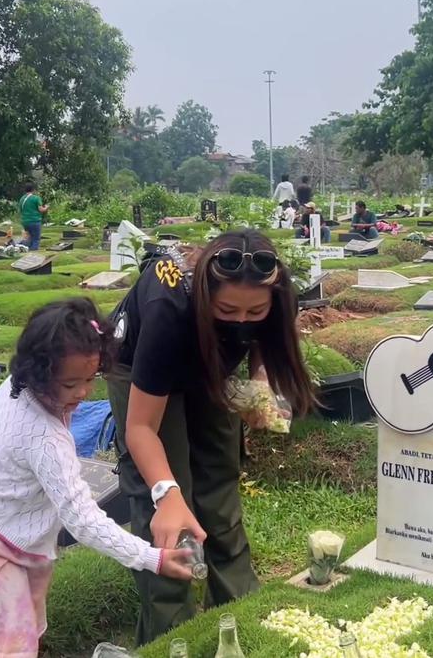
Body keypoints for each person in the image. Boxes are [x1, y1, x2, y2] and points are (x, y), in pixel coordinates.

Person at [0, 298, 192, 658]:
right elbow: (83, 520)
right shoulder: (43, 437)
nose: (82, 393)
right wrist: (150, 557)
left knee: (21, 630)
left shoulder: (22, 385)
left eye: (90, 379)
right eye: (70, 384)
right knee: (9, 646)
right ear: (39, 373)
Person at [105, 231, 315, 644]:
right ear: (206, 294)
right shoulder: (169, 308)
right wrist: (168, 494)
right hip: (141, 368)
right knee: (164, 506)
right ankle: (172, 635)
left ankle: (240, 611)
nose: (241, 320)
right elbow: (141, 428)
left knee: (219, 475)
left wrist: (259, 384)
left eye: (254, 310)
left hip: (208, 363)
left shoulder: (277, 294)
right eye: (228, 309)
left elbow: (266, 340)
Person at [19, 183, 49, 251]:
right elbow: (41, 209)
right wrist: (46, 207)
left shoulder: (22, 199)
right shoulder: (36, 198)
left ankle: (24, 250)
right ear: (33, 190)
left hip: (25, 221)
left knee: (29, 238)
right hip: (34, 221)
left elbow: (21, 210)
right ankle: (33, 252)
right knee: (36, 239)